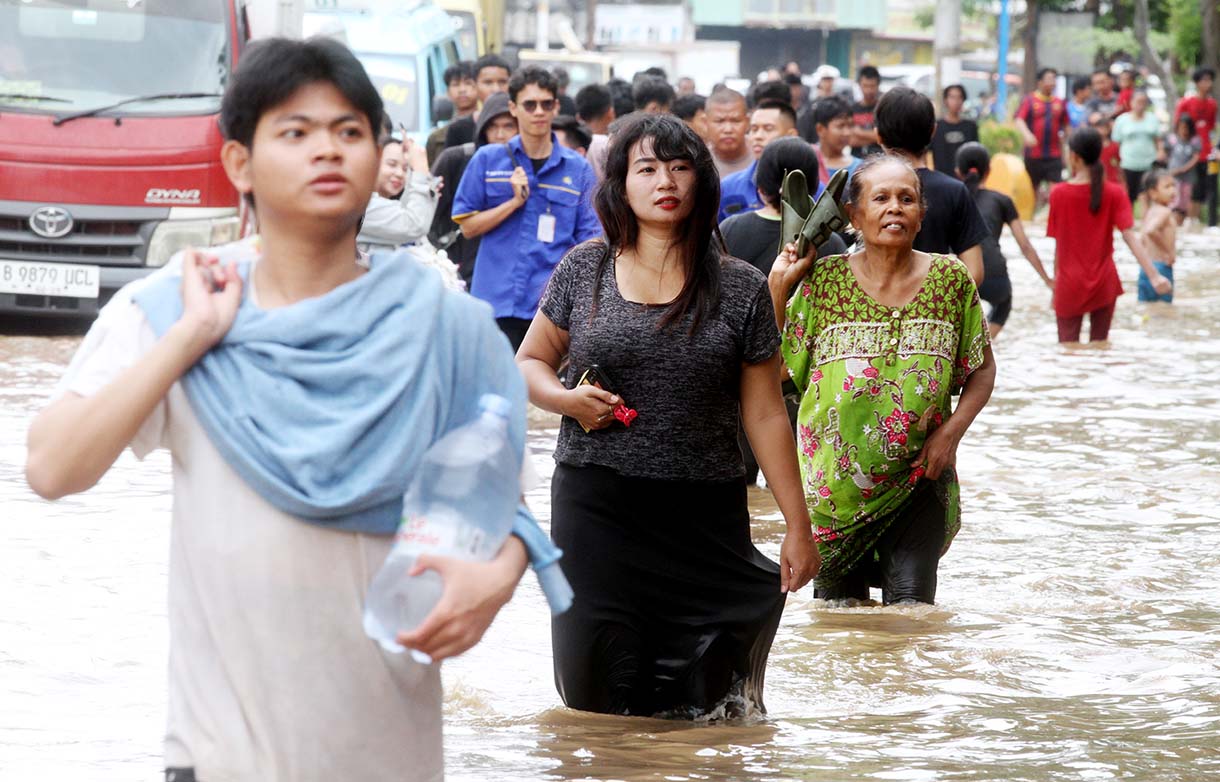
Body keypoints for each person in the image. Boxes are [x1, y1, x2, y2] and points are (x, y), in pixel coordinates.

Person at [24, 36, 561, 782]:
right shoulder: (172, 307)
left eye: (349, 132)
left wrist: (498, 576)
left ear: (380, 157)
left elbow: (506, 507)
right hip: (219, 757)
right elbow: (52, 467)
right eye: (296, 132)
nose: (327, 152)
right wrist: (189, 340)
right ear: (238, 162)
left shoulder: (448, 330)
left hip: (391, 754)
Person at [516, 113, 818, 717]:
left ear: (701, 182)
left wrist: (797, 525)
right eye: (647, 168)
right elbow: (528, 364)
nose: (666, 181)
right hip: (597, 509)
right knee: (595, 699)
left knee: (708, 708)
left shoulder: (740, 287)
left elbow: (763, 415)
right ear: (621, 185)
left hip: (703, 512)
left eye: (680, 167)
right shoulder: (586, 268)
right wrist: (567, 401)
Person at [768, 155, 996, 605]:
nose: (895, 208)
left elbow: (982, 369)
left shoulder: (951, 279)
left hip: (918, 480)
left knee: (910, 620)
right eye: (881, 198)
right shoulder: (824, 281)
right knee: (840, 625)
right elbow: (775, 373)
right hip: (835, 495)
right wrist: (779, 287)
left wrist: (950, 435)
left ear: (921, 214)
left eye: (906, 199)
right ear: (853, 215)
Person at [720, 138, 850, 484]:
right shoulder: (832, 244)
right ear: (813, 186)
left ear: (760, 186)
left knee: (740, 483)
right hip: (804, 379)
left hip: (742, 378)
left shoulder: (732, 230)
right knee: (800, 482)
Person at [451, 66, 602, 351]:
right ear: (513, 108)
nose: (538, 112)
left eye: (546, 104)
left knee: (543, 394)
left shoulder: (578, 169)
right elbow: (467, 227)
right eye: (529, 104)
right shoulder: (487, 160)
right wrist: (512, 203)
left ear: (556, 107)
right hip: (494, 302)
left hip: (551, 309)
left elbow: (591, 243)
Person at [1047, 127, 1171, 344]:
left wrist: (1056, 285)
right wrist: (1154, 276)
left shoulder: (1058, 193)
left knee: (1067, 353)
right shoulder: (1114, 192)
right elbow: (1130, 237)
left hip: (1069, 284)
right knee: (1100, 349)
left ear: (1074, 157)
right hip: (1104, 283)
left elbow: (1059, 245)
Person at [875, 86, 987, 284]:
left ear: (878, 136)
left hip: (874, 309)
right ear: (933, 131)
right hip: (935, 308)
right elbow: (974, 272)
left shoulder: (860, 188)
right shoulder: (954, 191)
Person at [955, 143, 1054, 338]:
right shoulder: (1002, 200)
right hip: (994, 275)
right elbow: (1025, 245)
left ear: (958, 171)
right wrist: (1047, 280)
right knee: (1003, 306)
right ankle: (983, 346)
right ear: (989, 170)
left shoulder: (952, 198)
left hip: (960, 273)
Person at [429, 93, 517, 286]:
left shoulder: (529, 171)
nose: (500, 134)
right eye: (492, 126)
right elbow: (428, 216)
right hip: (459, 270)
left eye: (508, 126)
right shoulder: (456, 159)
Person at [718, 100, 799, 221]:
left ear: (791, 135)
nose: (758, 136)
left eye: (768, 128)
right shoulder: (729, 186)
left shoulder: (811, 190)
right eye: (754, 129)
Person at [357, 135, 439, 253]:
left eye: (406, 169)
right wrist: (420, 171)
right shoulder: (363, 206)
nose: (400, 173)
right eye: (392, 164)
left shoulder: (389, 205)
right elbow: (415, 225)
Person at [1014, 67, 1070, 212]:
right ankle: (1030, 217)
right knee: (1032, 188)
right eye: (1049, 79)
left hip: (1054, 154)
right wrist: (1027, 135)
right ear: (1040, 82)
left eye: (1054, 80)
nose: (1052, 83)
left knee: (1056, 190)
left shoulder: (1060, 103)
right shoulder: (1030, 100)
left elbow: (1066, 126)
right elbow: (1019, 119)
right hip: (1033, 155)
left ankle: (1051, 219)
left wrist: (1069, 148)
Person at [1174, 67, 1218, 228]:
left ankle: (1196, 219)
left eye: (1209, 80)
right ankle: (1182, 219)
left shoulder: (1212, 104)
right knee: (1186, 186)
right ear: (1197, 83)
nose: (1208, 84)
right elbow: (1177, 125)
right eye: (1204, 80)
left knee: (1202, 186)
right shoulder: (1186, 103)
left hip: (1206, 152)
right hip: (1188, 152)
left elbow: (1212, 128)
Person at [444, 53, 512, 149]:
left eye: (502, 82)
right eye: (488, 82)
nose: (496, 89)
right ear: (475, 86)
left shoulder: (523, 123)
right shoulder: (458, 129)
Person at [1111, 89, 1163, 204]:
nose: (1140, 105)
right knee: (1128, 194)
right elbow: (1116, 143)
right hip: (1128, 163)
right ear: (1131, 102)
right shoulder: (1122, 120)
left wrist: (1160, 151)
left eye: (1143, 102)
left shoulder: (1152, 119)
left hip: (1148, 162)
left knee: (1145, 194)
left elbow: (1158, 140)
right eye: (1138, 101)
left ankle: (1146, 220)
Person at [1137, 169, 1179, 303]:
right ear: (1153, 193)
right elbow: (1151, 231)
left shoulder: (1150, 212)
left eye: (1173, 185)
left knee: (1147, 309)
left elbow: (1142, 238)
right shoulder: (1165, 212)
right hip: (1162, 267)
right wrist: (1168, 252)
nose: (1172, 190)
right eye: (1167, 187)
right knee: (1165, 310)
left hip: (1146, 269)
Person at [426, 61, 476, 166]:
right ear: (448, 92)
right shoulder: (436, 138)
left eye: (468, 83)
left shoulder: (489, 130)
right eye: (456, 84)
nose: (462, 90)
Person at [929, 84, 978, 176]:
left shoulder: (971, 126)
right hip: (942, 179)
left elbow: (976, 154)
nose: (956, 101)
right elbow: (925, 153)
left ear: (963, 100)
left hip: (965, 180)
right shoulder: (936, 126)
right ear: (945, 100)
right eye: (952, 97)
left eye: (959, 97)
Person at [811, 96, 861, 183]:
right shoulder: (808, 162)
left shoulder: (859, 169)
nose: (847, 132)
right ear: (820, 129)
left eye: (850, 126)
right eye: (840, 126)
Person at [1164, 114, 1202, 223]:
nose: (1183, 130)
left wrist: (1183, 169)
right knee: (1173, 196)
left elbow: (1196, 157)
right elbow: (1166, 153)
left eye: (1186, 127)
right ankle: (1170, 220)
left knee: (1186, 198)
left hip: (1188, 174)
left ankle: (1186, 220)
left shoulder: (1195, 140)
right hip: (1173, 174)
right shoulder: (1172, 139)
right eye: (1181, 127)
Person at [706, 87, 752, 176]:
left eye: (736, 121)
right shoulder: (698, 162)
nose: (728, 129)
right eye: (719, 121)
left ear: (747, 122)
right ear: (706, 122)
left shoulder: (761, 157)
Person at [849, 65, 883, 158]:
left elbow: (886, 137)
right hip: (856, 160)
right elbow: (850, 140)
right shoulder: (852, 109)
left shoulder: (883, 108)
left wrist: (859, 133)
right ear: (859, 85)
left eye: (872, 86)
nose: (868, 90)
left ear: (878, 85)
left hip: (879, 160)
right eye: (865, 86)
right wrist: (875, 137)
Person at [1091, 112, 1124, 185]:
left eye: (1104, 128)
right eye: (1099, 128)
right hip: (1096, 181)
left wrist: (1122, 182)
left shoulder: (1114, 146)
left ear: (1109, 129)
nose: (1102, 130)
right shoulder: (1092, 146)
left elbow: (1119, 165)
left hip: (1112, 180)